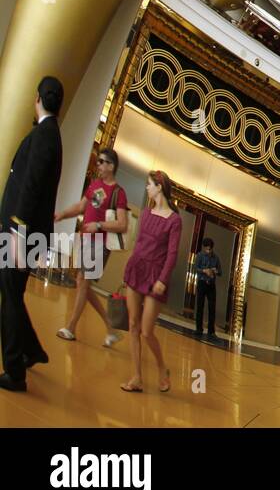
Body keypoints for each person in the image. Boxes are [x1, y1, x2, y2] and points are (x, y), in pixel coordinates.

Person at [0, 77, 63, 392]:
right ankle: (32, 350)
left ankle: (14, 371)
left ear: (37, 98)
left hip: (21, 231)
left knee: (9, 296)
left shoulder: (45, 135)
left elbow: (31, 186)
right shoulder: (50, 134)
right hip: (25, 231)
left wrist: (15, 227)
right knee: (11, 291)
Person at [53, 148, 129, 347]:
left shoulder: (119, 193)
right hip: (86, 240)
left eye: (102, 162)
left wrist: (99, 225)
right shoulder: (95, 185)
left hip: (100, 243)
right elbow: (80, 207)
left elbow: (122, 224)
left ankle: (70, 327)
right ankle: (111, 329)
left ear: (111, 166)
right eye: (98, 162)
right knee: (82, 284)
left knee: (83, 283)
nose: (98, 165)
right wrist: (61, 214)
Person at [120, 171, 182, 393]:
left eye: (149, 184)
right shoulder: (146, 213)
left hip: (156, 276)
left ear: (159, 187)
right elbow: (138, 243)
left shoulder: (174, 220)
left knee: (147, 331)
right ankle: (137, 377)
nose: (146, 188)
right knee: (133, 325)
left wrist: (163, 279)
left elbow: (172, 254)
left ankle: (162, 367)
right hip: (137, 269)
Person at [192, 236, 221, 337]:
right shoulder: (200, 255)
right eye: (206, 249)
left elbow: (220, 272)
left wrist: (215, 271)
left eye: (209, 249)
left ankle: (211, 331)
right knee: (200, 306)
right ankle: (199, 329)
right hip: (202, 283)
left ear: (212, 248)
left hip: (211, 285)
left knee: (212, 308)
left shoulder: (216, 258)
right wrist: (204, 270)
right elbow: (195, 268)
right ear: (204, 247)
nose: (208, 251)